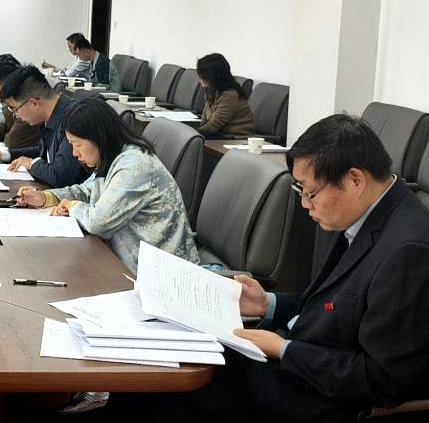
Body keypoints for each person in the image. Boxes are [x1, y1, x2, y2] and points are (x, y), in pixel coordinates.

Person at [91, 114, 429, 422]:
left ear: (355, 179)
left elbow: (382, 379)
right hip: (294, 361)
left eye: (310, 193)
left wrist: (284, 349)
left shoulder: (407, 250)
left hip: (312, 396)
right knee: (157, 365)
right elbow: (335, 304)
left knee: (157, 389)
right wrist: (268, 304)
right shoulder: (367, 214)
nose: (304, 204)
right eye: (300, 190)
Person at [15, 98, 199, 274]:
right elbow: (88, 191)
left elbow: (98, 223)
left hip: (161, 275)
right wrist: (47, 197)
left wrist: (72, 207)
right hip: (129, 263)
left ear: (98, 138)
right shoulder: (113, 157)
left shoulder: (135, 166)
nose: (74, 153)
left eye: (77, 145)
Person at [0, 65, 88, 188]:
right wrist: (2, 155)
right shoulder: (52, 114)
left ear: (34, 103)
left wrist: (31, 164)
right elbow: (43, 151)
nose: (16, 115)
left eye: (14, 109)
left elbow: (60, 176)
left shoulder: (73, 119)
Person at [196, 53, 255, 137]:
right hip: (219, 136)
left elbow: (214, 125)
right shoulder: (212, 91)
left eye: (202, 75)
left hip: (234, 139)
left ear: (214, 76)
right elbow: (205, 120)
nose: (199, 78)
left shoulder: (231, 96)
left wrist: (193, 135)